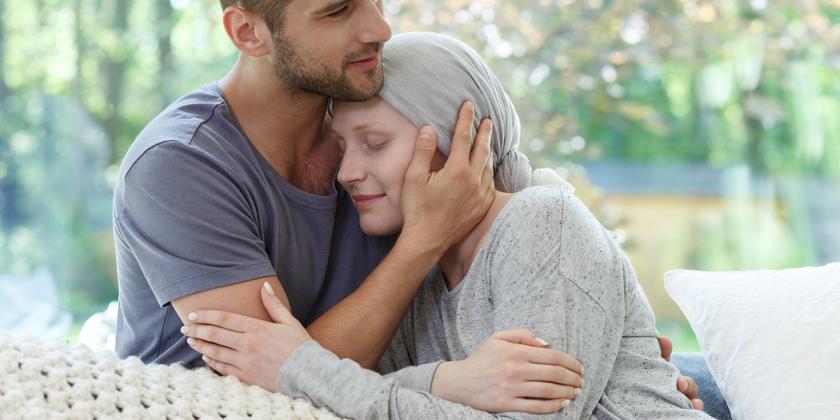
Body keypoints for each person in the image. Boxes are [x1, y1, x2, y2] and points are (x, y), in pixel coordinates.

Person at [115, 0, 710, 415]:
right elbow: (274, 386)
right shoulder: (183, 165)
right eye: (337, 9)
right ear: (249, 33)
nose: (379, 26)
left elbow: (309, 371)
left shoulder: (403, 172)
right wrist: (449, 373)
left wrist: (617, 346)